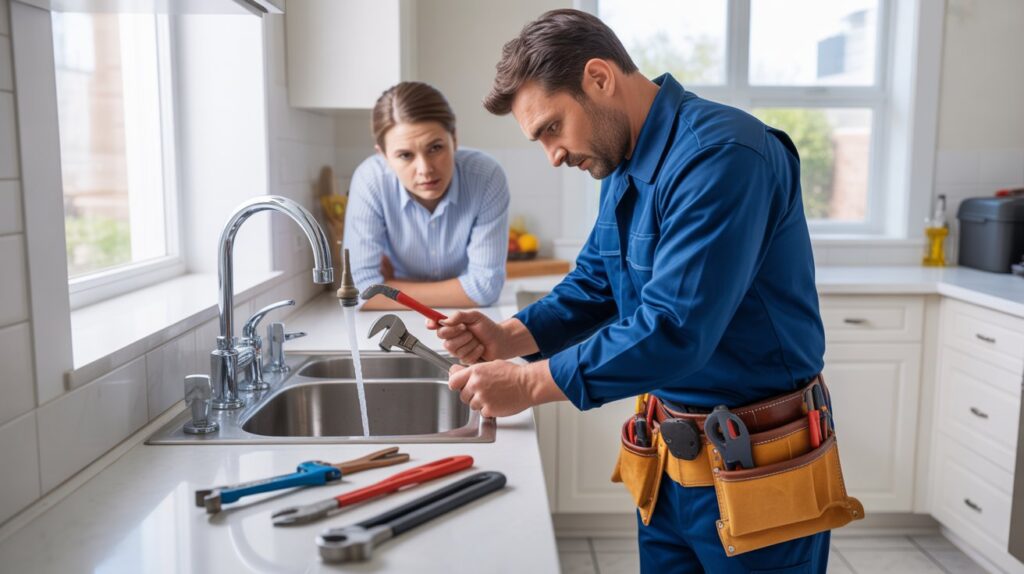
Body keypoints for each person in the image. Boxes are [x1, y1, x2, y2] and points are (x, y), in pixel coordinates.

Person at [429, 9, 834, 573]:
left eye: (552, 127)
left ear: (599, 78)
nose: (554, 154)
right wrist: (507, 336)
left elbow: (674, 329)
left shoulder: (724, 156)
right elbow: (596, 281)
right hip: (670, 461)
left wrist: (527, 380)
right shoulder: (622, 160)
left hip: (759, 462)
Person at [344, 81, 510, 309]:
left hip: (466, 318)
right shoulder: (370, 180)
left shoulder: (486, 176)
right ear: (383, 156)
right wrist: (461, 290)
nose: (425, 169)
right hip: (402, 319)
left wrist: (390, 286)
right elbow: (360, 290)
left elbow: (485, 289)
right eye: (405, 155)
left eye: (435, 148)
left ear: (454, 139)